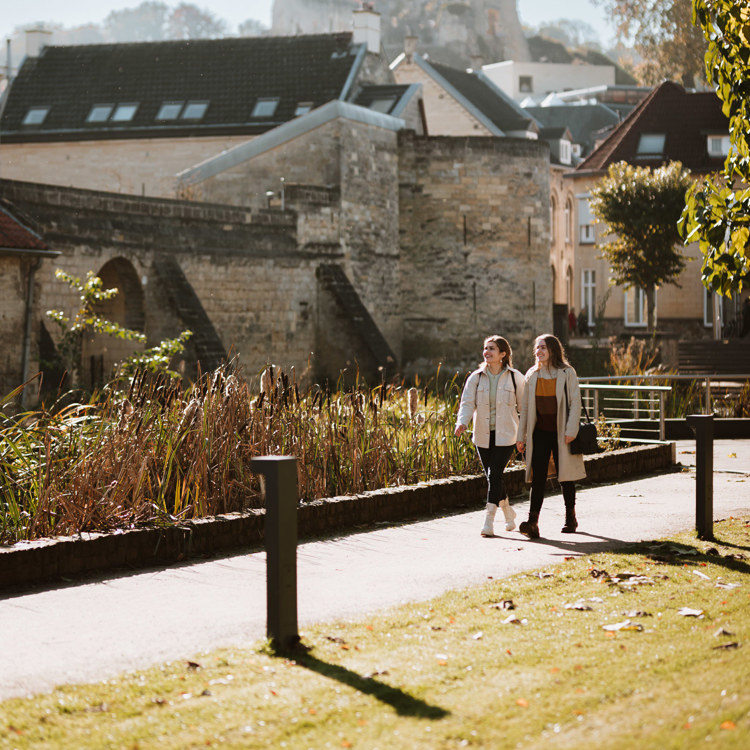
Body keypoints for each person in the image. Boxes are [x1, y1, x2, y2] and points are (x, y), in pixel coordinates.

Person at [515, 334, 586, 538]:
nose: (539, 351)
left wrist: (571, 431)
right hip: (540, 434)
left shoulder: (567, 372)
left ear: (553, 350)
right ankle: (532, 522)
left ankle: (570, 517)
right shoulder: (532, 374)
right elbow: (526, 408)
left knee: (566, 477)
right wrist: (522, 436)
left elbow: (575, 403)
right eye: (537, 348)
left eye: (543, 348)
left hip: (562, 433)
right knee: (538, 478)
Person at [455, 335, 525, 537]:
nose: (487, 352)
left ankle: (488, 521)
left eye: (492, 349)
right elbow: (467, 404)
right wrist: (462, 422)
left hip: (507, 435)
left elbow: (524, 408)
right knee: (493, 476)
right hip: (482, 435)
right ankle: (508, 513)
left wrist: (524, 435)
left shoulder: (515, 377)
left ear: (503, 354)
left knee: (494, 475)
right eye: (485, 348)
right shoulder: (475, 378)